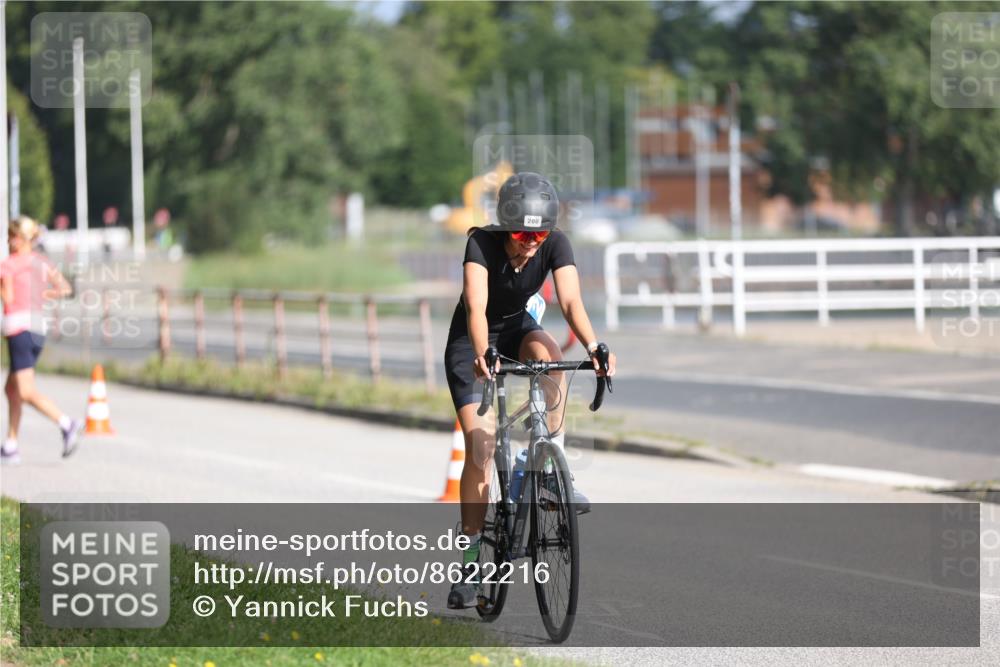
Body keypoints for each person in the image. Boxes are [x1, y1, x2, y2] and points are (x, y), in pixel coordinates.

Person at [444, 172, 616, 609]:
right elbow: (476, 308)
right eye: (522, 233)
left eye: (539, 233)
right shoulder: (481, 244)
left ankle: (550, 460)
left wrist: (595, 346)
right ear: (505, 226)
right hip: (473, 339)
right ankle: (469, 558)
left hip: (518, 326)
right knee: (481, 450)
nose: (532, 242)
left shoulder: (556, 244)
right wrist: (484, 353)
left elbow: (572, 302)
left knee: (551, 356)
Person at [1, 216, 84, 464]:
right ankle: (11, 445)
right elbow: (66, 288)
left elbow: (8, 298)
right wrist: (42, 294)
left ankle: (66, 423)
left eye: (11, 235)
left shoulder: (8, 265)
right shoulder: (42, 262)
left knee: (24, 390)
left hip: (19, 329)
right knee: (11, 388)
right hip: (38, 329)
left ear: (22, 239)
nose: (8, 239)